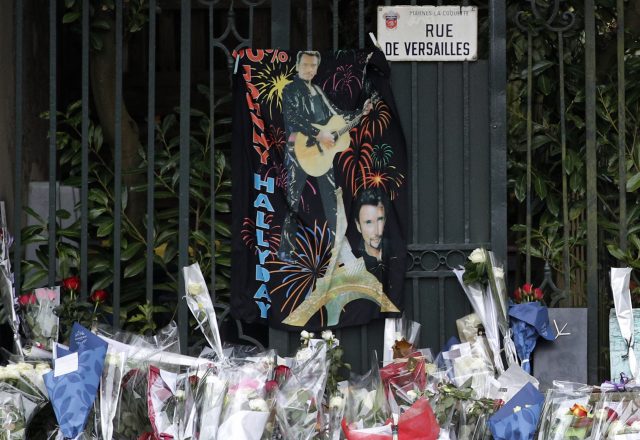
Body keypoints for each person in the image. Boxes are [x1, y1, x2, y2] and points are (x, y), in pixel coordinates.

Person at [278, 50, 371, 261]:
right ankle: (286, 250)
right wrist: (318, 133)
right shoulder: (291, 90)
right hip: (298, 152)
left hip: (322, 155)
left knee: (331, 199)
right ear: (297, 66)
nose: (309, 69)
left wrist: (360, 113)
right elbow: (292, 119)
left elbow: (336, 115)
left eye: (313, 66)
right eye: (305, 65)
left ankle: (336, 247)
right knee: (292, 200)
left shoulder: (318, 91)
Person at [352, 187, 389, 283]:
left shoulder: (395, 251)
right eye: (369, 222)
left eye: (380, 219)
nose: (377, 232)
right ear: (358, 225)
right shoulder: (353, 259)